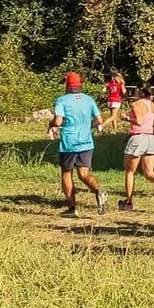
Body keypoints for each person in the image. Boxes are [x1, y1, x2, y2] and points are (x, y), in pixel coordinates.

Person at [48, 72, 107, 217]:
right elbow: (99, 120)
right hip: (86, 142)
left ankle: (72, 208)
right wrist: (88, 125)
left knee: (66, 173)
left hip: (69, 143)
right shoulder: (89, 99)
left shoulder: (62, 100)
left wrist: (50, 124)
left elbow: (58, 122)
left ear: (67, 84)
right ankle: (99, 192)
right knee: (84, 174)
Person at [120, 85, 154, 212]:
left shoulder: (136, 104)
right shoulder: (151, 104)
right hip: (151, 138)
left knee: (129, 171)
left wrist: (126, 118)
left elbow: (138, 121)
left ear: (140, 91)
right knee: (149, 172)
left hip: (138, 138)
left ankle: (128, 202)